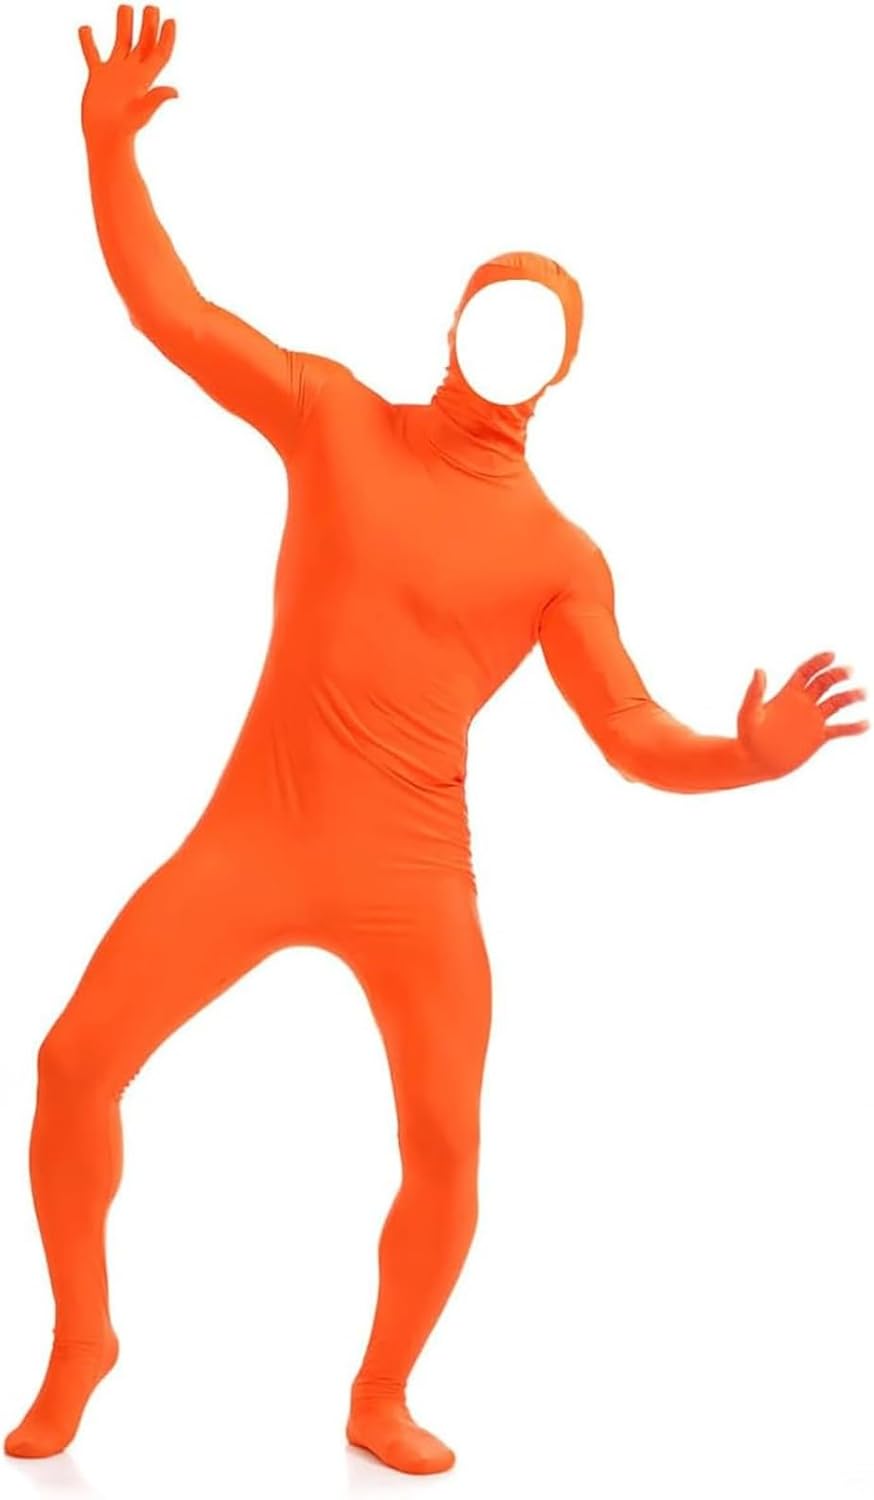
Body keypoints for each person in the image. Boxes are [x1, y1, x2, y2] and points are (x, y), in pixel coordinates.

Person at [5, 3, 868, 1476]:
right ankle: (83, 1336)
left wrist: (747, 758)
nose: (508, 337)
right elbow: (173, 313)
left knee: (450, 1148)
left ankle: (378, 1393)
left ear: (561, 371)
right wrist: (106, 151)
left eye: (541, 327)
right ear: (454, 325)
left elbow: (630, 731)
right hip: (255, 837)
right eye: (494, 310)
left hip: (413, 877)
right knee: (75, 1062)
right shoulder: (333, 416)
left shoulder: (558, 556)